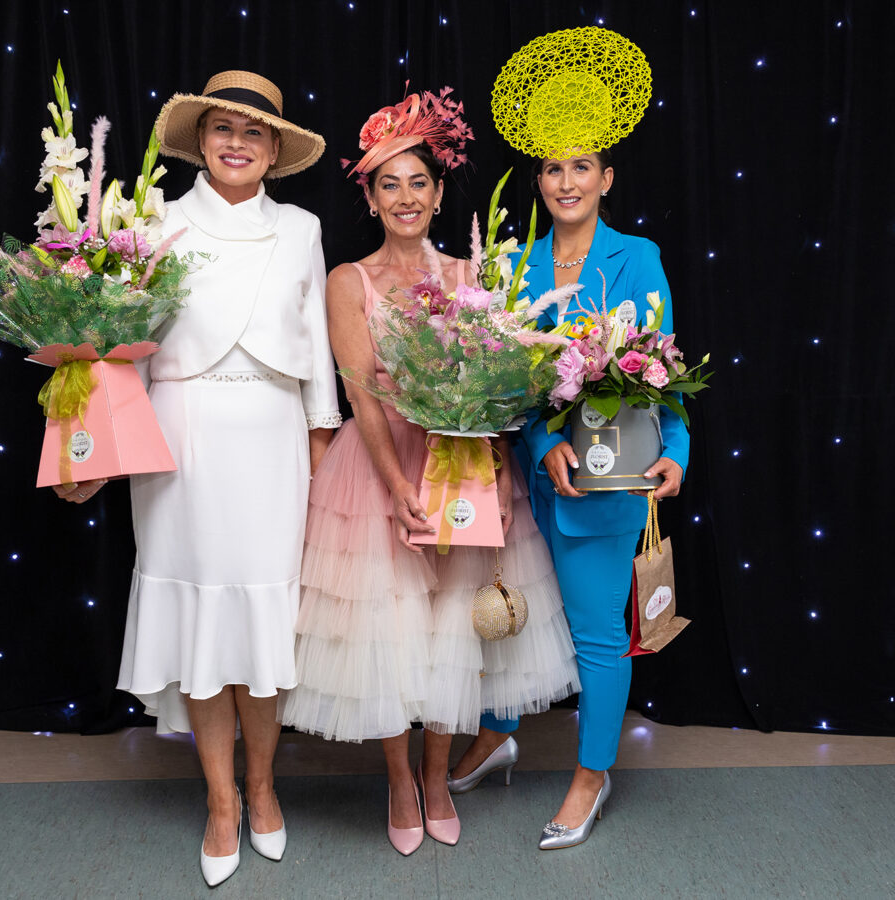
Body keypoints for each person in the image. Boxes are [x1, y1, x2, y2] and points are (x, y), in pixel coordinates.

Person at [55, 71, 340, 887]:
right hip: (180, 442)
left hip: (273, 439)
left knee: (263, 625)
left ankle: (263, 785)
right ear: (201, 140)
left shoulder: (302, 229)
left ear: (275, 149)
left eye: (253, 133)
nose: (237, 143)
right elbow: (117, 345)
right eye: (223, 128)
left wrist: (322, 440)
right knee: (207, 629)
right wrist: (95, 450)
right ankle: (221, 800)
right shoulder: (156, 221)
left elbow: (316, 344)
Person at [279, 90, 578, 856]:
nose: (405, 197)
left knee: (454, 631)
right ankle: (399, 779)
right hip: (380, 473)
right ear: (371, 198)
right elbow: (363, 396)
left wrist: (496, 482)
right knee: (384, 630)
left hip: (466, 468)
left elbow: (499, 393)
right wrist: (401, 489)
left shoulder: (473, 274)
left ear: (440, 193)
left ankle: (439, 774)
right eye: (389, 184)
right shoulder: (350, 281)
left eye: (418, 182)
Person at [450, 149, 690, 848]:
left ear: (607, 179)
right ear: (539, 182)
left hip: (607, 480)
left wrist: (674, 453)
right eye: (553, 170)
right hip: (523, 480)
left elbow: (660, 369)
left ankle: (592, 773)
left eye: (582, 168)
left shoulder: (636, 258)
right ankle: (497, 735)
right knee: (504, 618)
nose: (567, 183)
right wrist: (539, 440)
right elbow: (506, 381)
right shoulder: (514, 266)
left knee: (597, 635)